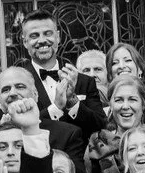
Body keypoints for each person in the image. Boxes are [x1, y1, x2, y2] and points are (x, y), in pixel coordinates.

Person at [14, 9, 105, 138]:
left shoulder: (84, 81)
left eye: (47, 33)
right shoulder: (17, 84)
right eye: (34, 36)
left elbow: (101, 125)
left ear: (58, 37)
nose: (42, 40)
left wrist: (73, 102)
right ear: (25, 42)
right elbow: (16, 129)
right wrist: (55, 109)